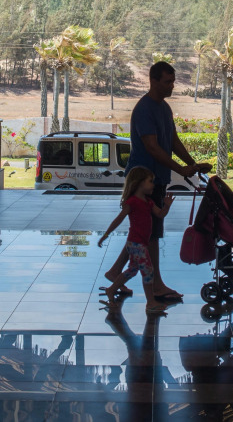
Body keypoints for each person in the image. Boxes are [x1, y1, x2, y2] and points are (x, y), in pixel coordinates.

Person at [103, 61, 210, 302]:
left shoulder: (164, 108)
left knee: (143, 230)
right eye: (167, 82)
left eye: (173, 81)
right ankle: (157, 285)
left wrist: (192, 164)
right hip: (143, 180)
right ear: (153, 81)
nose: (172, 86)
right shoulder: (144, 109)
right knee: (150, 233)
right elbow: (152, 147)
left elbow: (172, 141)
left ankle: (115, 271)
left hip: (156, 178)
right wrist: (181, 170)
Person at [98, 167, 175, 314]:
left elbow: (160, 214)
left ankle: (111, 289)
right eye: (150, 181)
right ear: (139, 183)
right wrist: (106, 234)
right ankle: (151, 302)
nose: (153, 185)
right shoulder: (132, 202)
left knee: (132, 270)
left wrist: (167, 206)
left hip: (140, 243)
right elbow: (118, 219)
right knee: (148, 270)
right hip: (136, 243)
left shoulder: (148, 202)